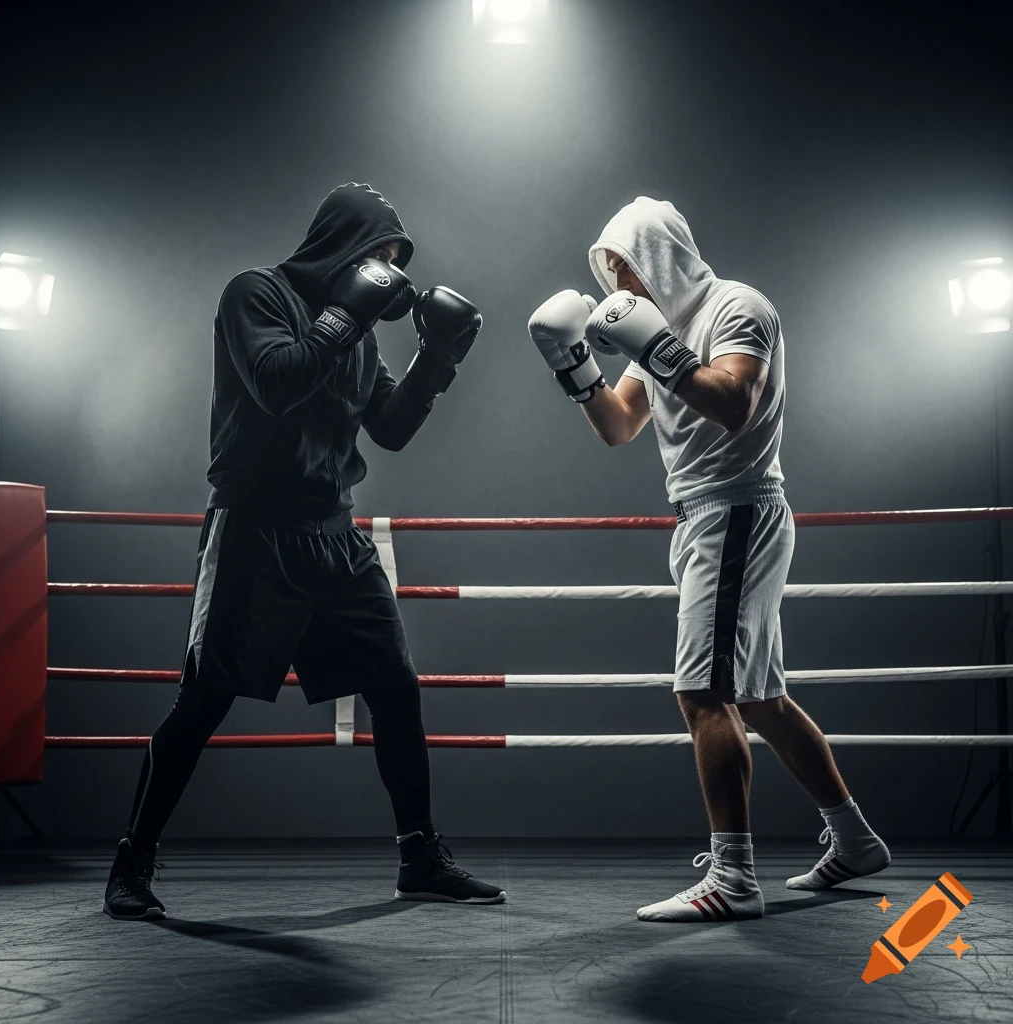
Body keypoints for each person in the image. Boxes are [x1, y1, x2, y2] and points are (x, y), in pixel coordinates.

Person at [104, 182, 505, 920]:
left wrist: (435, 361)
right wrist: (347, 312)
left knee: (395, 687)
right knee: (202, 700)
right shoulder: (254, 294)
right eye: (380, 255)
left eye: (395, 260)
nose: (388, 270)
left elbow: (387, 427)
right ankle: (131, 862)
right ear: (342, 248)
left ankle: (419, 854)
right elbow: (276, 382)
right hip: (254, 528)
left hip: (334, 532)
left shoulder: (361, 334)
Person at [528, 196, 889, 922]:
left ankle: (733, 877)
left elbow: (733, 405)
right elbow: (619, 427)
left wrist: (653, 347)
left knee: (702, 693)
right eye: (607, 273)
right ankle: (855, 840)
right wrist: (573, 366)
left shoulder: (738, 306)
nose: (615, 286)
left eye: (622, 266)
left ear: (657, 254)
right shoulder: (654, 327)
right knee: (759, 697)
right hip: (702, 516)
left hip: (738, 506)